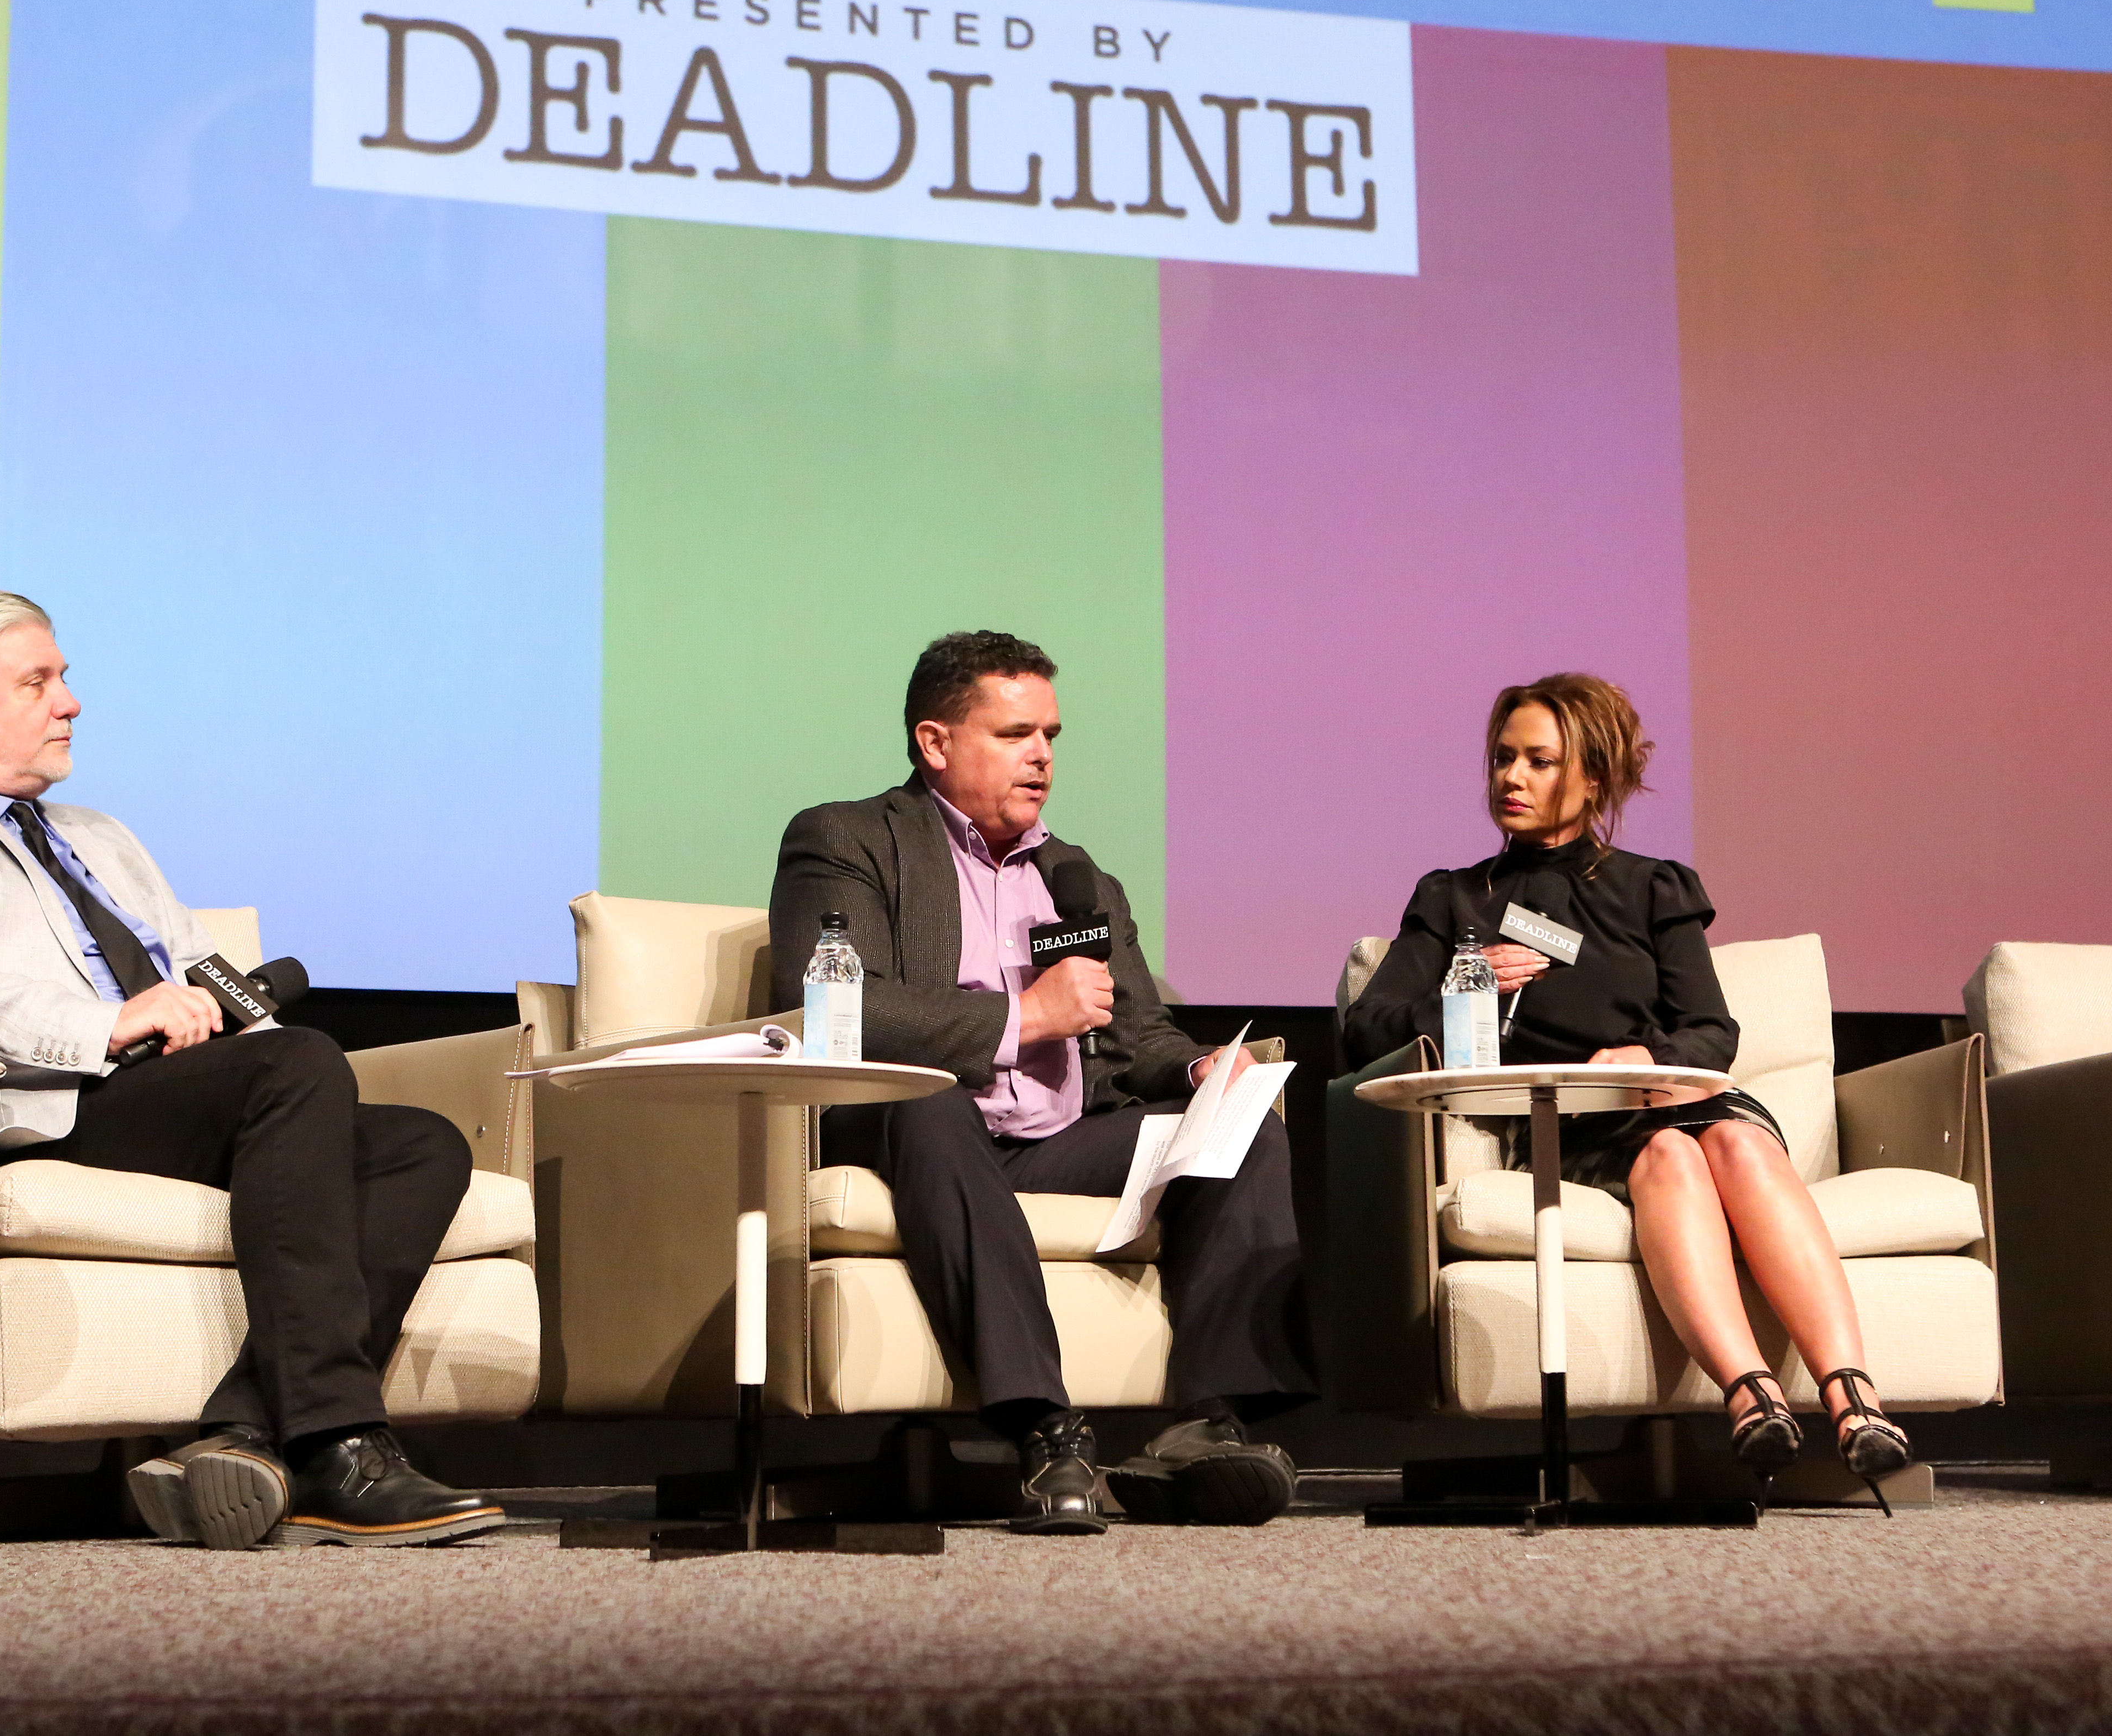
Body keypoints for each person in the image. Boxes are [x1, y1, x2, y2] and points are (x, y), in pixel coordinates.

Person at [0, 591, 503, 1551]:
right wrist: (108, 1023)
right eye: (39, 680)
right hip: (64, 1107)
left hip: (186, 1092)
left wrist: (231, 1013)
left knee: (419, 1144)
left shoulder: (103, 834)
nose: (71, 701)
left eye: (65, 677)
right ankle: (340, 1444)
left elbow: (192, 961)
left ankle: (240, 1432)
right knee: (299, 1067)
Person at [769, 630, 1309, 1534]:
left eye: (1050, 735)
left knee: (1243, 1120)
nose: (1042, 756)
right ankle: (1044, 1432)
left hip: (1052, 1144)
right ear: (935, 742)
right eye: (1015, 733)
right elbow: (831, 998)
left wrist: (1194, 1067)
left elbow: (1134, 1028)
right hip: (915, 1128)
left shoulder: (1076, 874)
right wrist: (1023, 1018)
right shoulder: (849, 836)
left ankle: (1208, 1427)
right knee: (930, 1098)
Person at [1343, 673, 1913, 1504]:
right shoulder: (1456, 896)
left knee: (1737, 1142)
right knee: (1672, 1162)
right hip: (1574, 1123)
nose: (1511, 777)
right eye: (1504, 757)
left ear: (1595, 779)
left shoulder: (1654, 886)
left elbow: (1711, 1029)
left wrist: (1648, 1059)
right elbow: (1366, 1028)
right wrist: (1464, 991)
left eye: (1540, 761)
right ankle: (1750, 1393)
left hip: (1673, 1095)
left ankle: (1853, 1399)